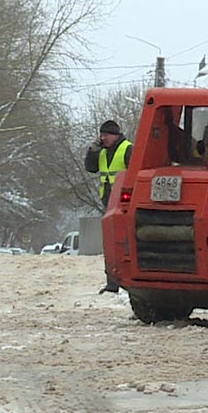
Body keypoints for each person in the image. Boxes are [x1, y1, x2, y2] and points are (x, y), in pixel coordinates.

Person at [85, 119, 131, 293]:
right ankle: (112, 282)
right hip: (108, 201)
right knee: (111, 244)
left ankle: (122, 283)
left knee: (123, 242)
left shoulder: (127, 148)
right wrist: (92, 151)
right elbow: (90, 168)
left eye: (105, 135)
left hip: (124, 202)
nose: (102, 138)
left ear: (115, 135)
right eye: (101, 135)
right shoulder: (102, 152)